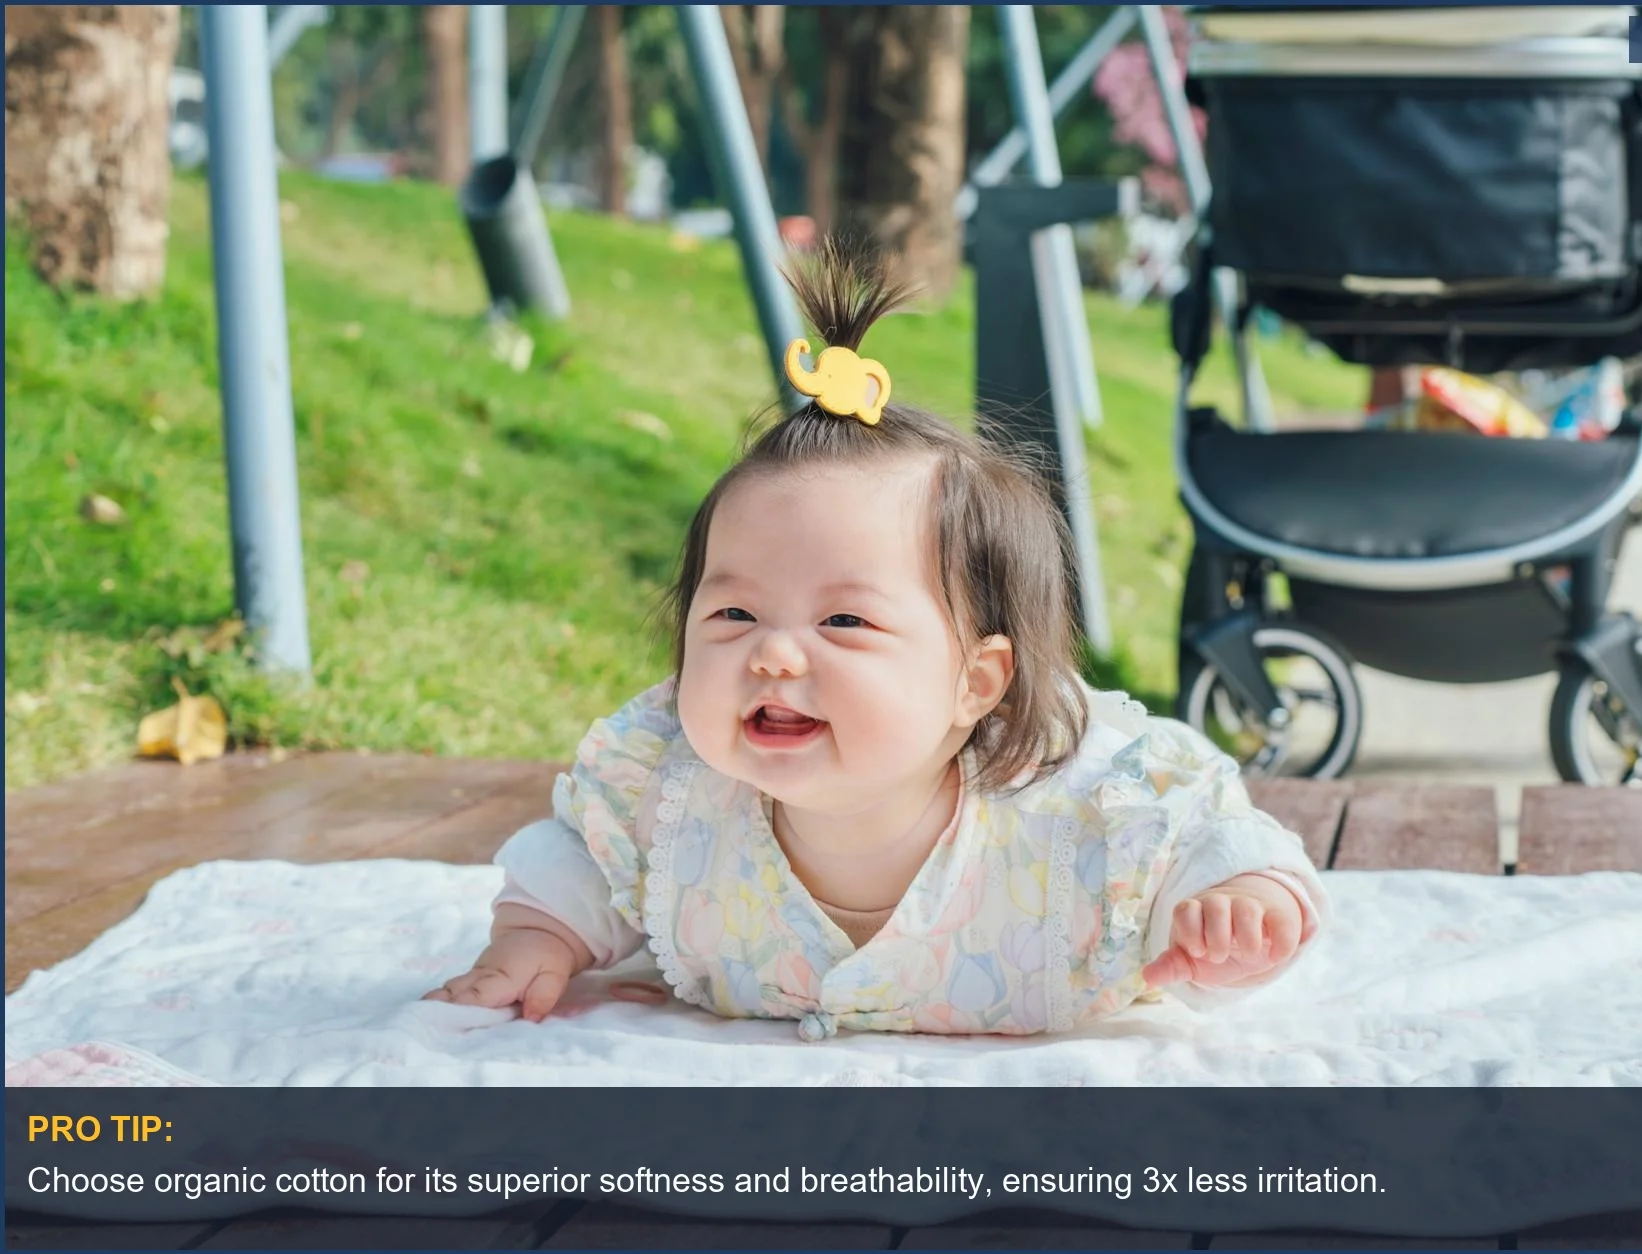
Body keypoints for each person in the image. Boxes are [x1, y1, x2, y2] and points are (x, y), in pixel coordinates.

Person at [426, 238, 1327, 1040]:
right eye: (733, 615)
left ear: (977, 682)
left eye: (844, 622)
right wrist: (534, 938)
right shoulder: (664, 796)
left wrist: (1237, 909)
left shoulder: (1088, 816)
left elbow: (1208, 843)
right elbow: (577, 870)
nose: (772, 654)